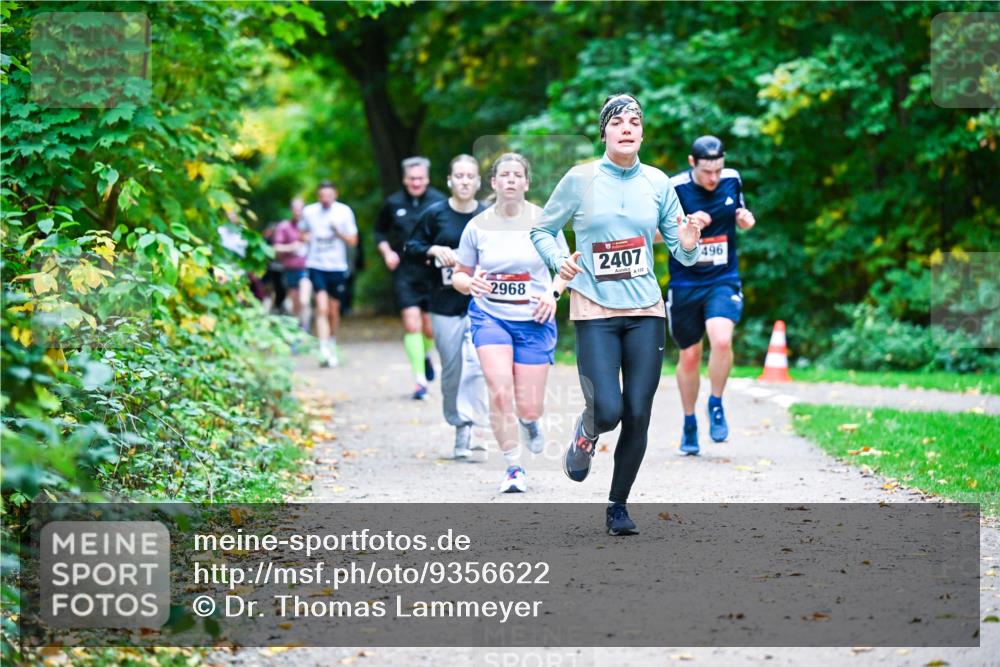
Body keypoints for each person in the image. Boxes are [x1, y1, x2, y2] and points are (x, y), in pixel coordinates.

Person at [531, 93, 703, 535]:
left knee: (639, 412)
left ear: (643, 133)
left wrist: (686, 241)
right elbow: (542, 229)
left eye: (634, 121)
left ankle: (617, 505)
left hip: (645, 309)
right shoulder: (579, 179)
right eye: (617, 122)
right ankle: (588, 431)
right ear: (604, 131)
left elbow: (684, 257)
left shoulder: (659, 183)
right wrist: (560, 261)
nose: (626, 127)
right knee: (609, 409)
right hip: (593, 309)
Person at [451, 153, 569, 493]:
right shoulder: (477, 226)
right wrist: (469, 284)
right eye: (505, 175)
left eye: (518, 175)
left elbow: (564, 269)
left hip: (534, 320)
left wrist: (552, 295)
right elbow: (460, 274)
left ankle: (530, 422)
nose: (512, 180)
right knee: (500, 391)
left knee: (529, 405)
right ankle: (513, 467)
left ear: (527, 183)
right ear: (494, 183)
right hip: (490, 316)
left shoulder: (544, 221)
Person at [667, 136, 756, 455]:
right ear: (692, 163)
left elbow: (742, 213)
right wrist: (687, 227)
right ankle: (689, 422)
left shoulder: (732, 179)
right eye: (707, 172)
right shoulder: (674, 188)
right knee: (690, 356)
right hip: (685, 282)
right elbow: (654, 234)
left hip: (722, 277)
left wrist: (745, 220)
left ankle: (715, 404)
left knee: (721, 340)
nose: (714, 178)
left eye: (718, 170)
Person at [404, 155, 489, 459]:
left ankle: (477, 427)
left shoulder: (489, 216)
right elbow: (410, 248)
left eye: (470, 176)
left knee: (478, 366)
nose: (465, 181)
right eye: (459, 176)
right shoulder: (435, 214)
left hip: (483, 303)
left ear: (478, 182)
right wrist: (433, 249)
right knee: (453, 368)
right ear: (450, 181)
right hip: (443, 303)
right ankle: (459, 425)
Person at [375, 156, 447, 400]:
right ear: (405, 179)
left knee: (429, 329)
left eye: (420, 178)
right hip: (405, 271)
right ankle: (419, 381)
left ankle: (425, 355)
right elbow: (378, 231)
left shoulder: (439, 202)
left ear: (427, 178)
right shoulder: (393, 202)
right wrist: (387, 253)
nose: (416, 182)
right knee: (411, 324)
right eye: (412, 179)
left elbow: (449, 233)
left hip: (432, 272)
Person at [299, 180, 358, 368]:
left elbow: (353, 241)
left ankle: (331, 340)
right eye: (322, 196)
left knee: (333, 311)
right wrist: (307, 238)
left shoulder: (344, 212)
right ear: (318, 196)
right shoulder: (309, 212)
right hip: (316, 265)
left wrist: (338, 231)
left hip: (337, 267)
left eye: (329, 196)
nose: (326, 199)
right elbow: (301, 233)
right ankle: (323, 347)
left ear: (335, 195)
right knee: (321, 308)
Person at [270, 197, 311, 333]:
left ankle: (305, 329)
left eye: (301, 209)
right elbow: (276, 247)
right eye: (296, 209)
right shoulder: (284, 226)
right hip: (290, 269)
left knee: (304, 299)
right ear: (291, 210)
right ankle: (298, 329)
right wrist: (291, 247)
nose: (298, 212)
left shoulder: (311, 226)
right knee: (295, 304)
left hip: (307, 268)